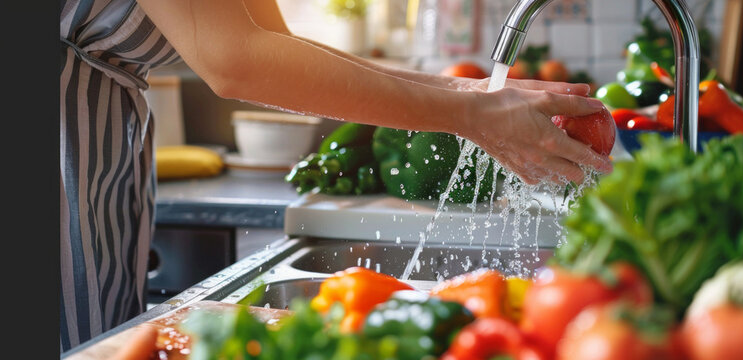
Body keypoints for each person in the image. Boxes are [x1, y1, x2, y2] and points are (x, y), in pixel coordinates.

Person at [59, 0, 613, 352]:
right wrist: (471, 116)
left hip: (99, 159)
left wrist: (477, 95)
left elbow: (277, 46)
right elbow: (236, 62)